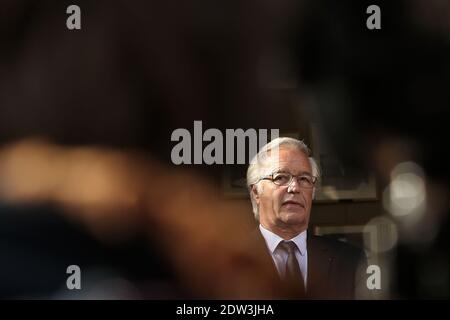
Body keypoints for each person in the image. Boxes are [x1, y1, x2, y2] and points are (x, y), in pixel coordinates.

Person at [247, 137, 369, 299]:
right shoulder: (225, 263)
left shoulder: (351, 261)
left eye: (304, 179)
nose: (294, 188)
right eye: (280, 177)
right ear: (256, 192)